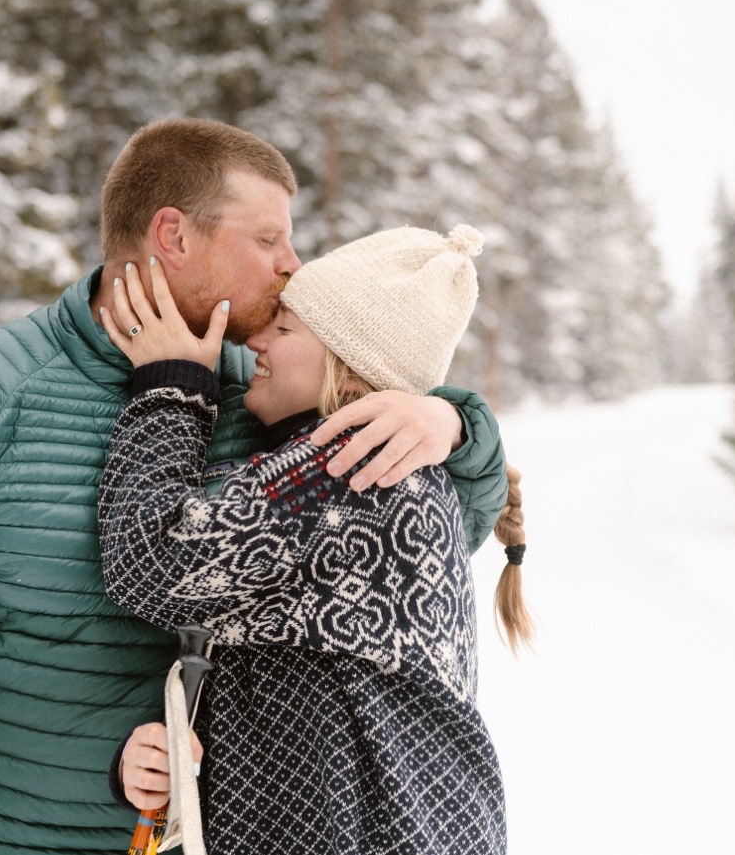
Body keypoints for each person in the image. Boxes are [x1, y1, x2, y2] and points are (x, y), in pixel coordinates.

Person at [0, 118, 509, 855]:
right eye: (267, 240)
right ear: (174, 236)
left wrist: (449, 420)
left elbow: (424, 549)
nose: (293, 265)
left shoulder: (266, 399)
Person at [96, 223, 530, 854]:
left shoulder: (344, 468)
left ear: (349, 374)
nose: (257, 339)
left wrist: (172, 388)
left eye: (286, 328)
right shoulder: (392, 473)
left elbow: (153, 560)